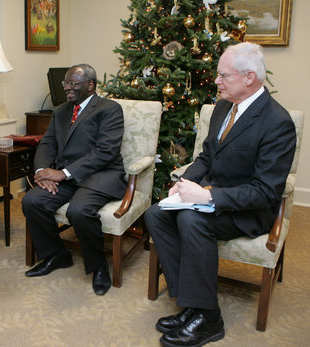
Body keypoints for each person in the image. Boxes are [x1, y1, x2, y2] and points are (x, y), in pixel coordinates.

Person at [144, 42, 296, 346]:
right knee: (156, 214)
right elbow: (206, 157)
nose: (216, 80)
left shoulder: (277, 123)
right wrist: (183, 183)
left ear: (249, 77)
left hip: (249, 210)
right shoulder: (225, 107)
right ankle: (191, 303)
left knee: (191, 221)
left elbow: (266, 192)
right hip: (211, 196)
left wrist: (209, 197)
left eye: (223, 75)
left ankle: (209, 317)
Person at [22, 63, 126, 296]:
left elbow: (105, 151)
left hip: (101, 174)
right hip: (66, 176)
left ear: (90, 85)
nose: (68, 88)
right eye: (66, 83)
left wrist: (63, 174)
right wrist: (42, 172)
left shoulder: (109, 109)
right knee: (32, 201)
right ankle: (56, 255)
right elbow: (47, 143)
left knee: (78, 211)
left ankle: (99, 266)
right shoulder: (61, 111)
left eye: (74, 83)